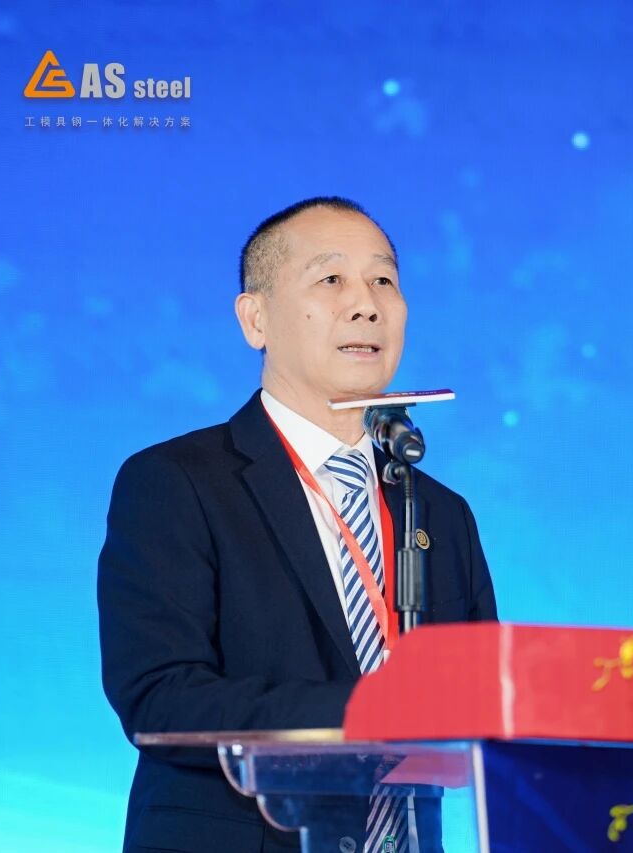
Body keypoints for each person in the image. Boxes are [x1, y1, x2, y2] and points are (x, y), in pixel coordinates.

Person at [97, 197, 499, 853]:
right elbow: (162, 697)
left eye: (384, 280)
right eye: (331, 279)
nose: (365, 304)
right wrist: (371, 713)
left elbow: (479, 698)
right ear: (255, 318)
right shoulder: (176, 482)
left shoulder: (440, 513)